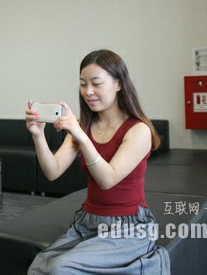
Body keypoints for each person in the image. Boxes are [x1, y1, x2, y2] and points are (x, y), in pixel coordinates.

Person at [25, 49, 170, 274]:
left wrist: (80, 136)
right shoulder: (84, 126)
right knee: (40, 265)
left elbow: (107, 179)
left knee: (60, 268)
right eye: (83, 84)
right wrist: (38, 135)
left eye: (96, 83)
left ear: (118, 84)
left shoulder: (138, 130)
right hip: (88, 221)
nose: (88, 91)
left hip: (129, 227)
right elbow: (52, 171)